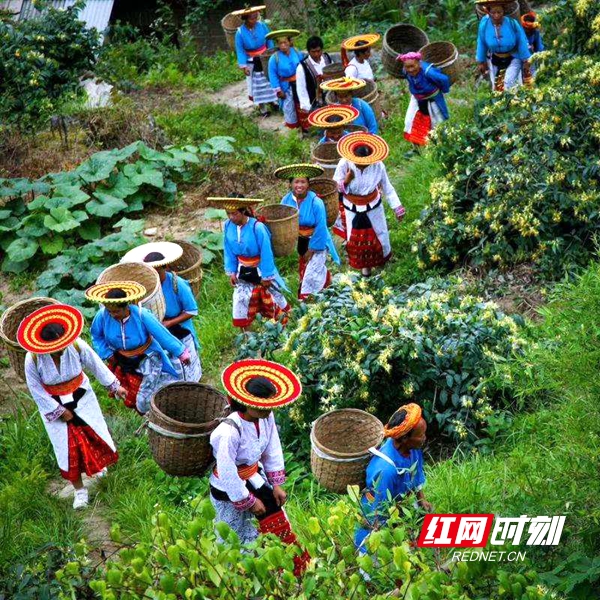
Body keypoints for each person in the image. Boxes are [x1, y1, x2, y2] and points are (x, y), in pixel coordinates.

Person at [19, 304, 124, 509]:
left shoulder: (76, 345)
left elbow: (95, 364)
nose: (58, 350)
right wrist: (59, 411)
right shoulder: (32, 359)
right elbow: (35, 389)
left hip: (82, 398)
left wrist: (114, 385)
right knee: (67, 450)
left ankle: (99, 469)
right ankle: (80, 491)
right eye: (53, 348)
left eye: (60, 346)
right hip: (53, 406)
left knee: (94, 435)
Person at [210, 358, 309, 576]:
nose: (268, 410)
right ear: (246, 403)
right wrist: (247, 500)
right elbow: (227, 471)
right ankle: (235, 579)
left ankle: (290, 570)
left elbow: (272, 448)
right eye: (263, 406)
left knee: (275, 517)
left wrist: (276, 484)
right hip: (228, 488)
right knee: (235, 535)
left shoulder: (265, 418)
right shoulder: (228, 432)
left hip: (254, 476)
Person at [87, 281, 190, 414]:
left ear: (126, 307)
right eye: (109, 311)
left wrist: (181, 353)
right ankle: (145, 415)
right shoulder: (102, 316)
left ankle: (157, 414)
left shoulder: (141, 315)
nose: (112, 315)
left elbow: (161, 334)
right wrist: (106, 353)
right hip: (120, 359)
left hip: (146, 358)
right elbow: (96, 335)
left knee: (148, 392)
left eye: (116, 311)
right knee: (131, 394)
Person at [355, 403, 432, 554]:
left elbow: (416, 476)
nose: (424, 438)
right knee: (377, 559)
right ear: (404, 438)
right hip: (377, 518)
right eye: (421, 435)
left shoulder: (413, 450)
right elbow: (377, 513)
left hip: (398, 506)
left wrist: (421, 499)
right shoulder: (386, 470)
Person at [120, 241, 202, 383]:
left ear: (166, 267)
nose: (154, 274)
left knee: (187, 368)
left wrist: (169, 322)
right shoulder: (146, 287)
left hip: (180, 330)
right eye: (150, 271)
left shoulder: (178, 284)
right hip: (157, 331)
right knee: (168, 370)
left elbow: (192, 310)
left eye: (157, 270)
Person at [207, 196, 290, 330]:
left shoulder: (258, 228)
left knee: (272, 299)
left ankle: (281, 332)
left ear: (243, 211)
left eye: (234, 213)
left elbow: (266, 252)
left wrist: (267, 276)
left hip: (260, 268)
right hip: (242, 270)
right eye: (228, 213)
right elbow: (228, 249)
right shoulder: (228, 226)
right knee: (241, 301)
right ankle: (248, 337)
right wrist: (232, 271)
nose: (231, 217)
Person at [333, 132, 404, 277]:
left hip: (373, 205)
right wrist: (346, 181)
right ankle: (364, 268)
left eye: (366, 162)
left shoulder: (378, 165)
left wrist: (397, 207)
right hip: (352, 206)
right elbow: (334, 186)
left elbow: (387, 186)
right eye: (360, 162)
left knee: (380, 233)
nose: (363, 165)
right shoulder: (344, 164)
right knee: (354, 237)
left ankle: (383, 258)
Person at [275, 163, 340, 299]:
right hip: (301, 242)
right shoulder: (286, 200)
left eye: (303, 182)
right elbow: (284, 221)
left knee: (311, 276)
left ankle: (309, 302)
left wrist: (312, 249)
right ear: (290, 184)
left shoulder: (316, 202)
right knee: (309, 272)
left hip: (318, 241)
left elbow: (321, 227)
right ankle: (327, 289)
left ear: (308, 184)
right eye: (296, 182)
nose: (300, 185)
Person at [475, 0, 532, 91]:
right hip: (495, 58)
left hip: (513, 56)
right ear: (488, 12)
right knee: (497, 85)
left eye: (499, 12)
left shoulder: (512, 23)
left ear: (503, 12)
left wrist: (526, 60)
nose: (496, 15)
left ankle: (515, 102)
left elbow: (521, 40)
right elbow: (481, 42)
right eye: (493, 12)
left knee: (509, 83)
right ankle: (502, 103)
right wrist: (481, 61)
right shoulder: (484, 24)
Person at [398, 52, 451, 146]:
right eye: (407, 67)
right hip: (417, 98)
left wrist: (442, 92)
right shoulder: (405, 71)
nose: (410, 70)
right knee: (411, 121)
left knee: (437, 123)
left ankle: (440, 145)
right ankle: (416, 146)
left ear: (419, 63)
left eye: (412, 66)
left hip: (432, 99)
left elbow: (444, 79)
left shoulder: (428, 72)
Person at [234, 6, 278, 117]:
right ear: (246, 18)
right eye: (251, 18)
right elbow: (240, 50)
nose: (254, 20)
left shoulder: (262, 26)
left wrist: (271, 53)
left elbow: (269, 40)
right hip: (251, 61)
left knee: (269, 80)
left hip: (265, 57)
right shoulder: (239, 33)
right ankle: (263, 108)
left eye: (255, 17)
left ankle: (273, 101)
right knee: (257, 85)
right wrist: (244, 66)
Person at [267, 29, 303, 130]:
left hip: (298, 83)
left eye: (285, 42)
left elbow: (303, 65)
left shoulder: (296, 52)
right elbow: (272, 75)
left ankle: (304, 126)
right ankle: (293, 128)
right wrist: (278, 90)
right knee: (289, 107)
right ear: (277, 44)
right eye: (280, 43)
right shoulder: (274, 58)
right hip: (285, 86)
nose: (283, 45)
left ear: (290, 42)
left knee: (301, 104)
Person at [296, 36, 333, 134]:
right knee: (322, 127)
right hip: (315, 102)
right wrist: (308, 108)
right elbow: (301, 89)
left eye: (318, 51)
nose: (316, 54)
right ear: (308, 51)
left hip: (330, 97)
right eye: (313, 52)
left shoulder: (327, 59)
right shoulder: (302, 67)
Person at [520, 11, 544, 82]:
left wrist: (541, 56)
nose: (529, 31)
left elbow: (539, 46)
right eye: (527, 29)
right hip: (518, 55)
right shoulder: (520, 32)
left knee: (533, 71)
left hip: (530, 55)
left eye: (530, 29)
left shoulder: (535, 32)